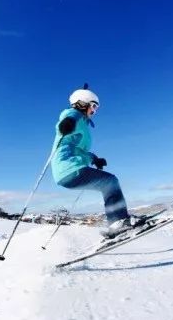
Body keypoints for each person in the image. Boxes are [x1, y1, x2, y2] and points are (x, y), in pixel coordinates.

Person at [51, 84, 144, 238]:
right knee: (110, 182)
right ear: (82, 104)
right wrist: (67, 123)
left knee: (108, 183)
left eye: (96, 108)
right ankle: (118, 222)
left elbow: (79, 150)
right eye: (93, 106)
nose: (94, 111)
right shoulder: (74, 116)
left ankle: (117, 222)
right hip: (70, 168)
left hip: (67, 172)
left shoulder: (82, 123)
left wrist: (95, 159)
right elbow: (68, 118)